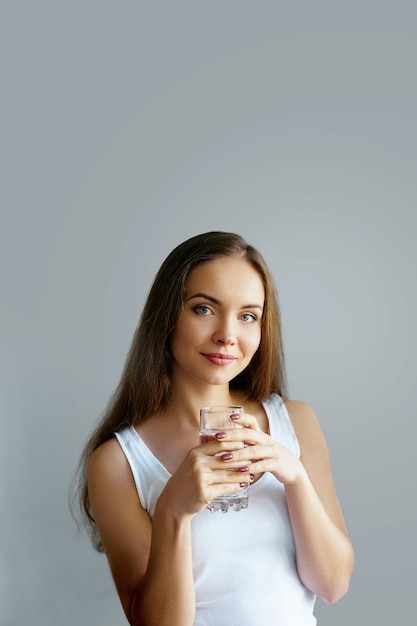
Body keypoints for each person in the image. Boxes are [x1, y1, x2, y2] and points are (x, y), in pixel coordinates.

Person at [72, 231, 354, 626]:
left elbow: (332, 584)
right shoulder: (118, 462)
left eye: (247, 316)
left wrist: (295, 477)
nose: (227, 335)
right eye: (204, 309)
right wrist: (173, 509)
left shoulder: (296, 421)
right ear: (168, 314)